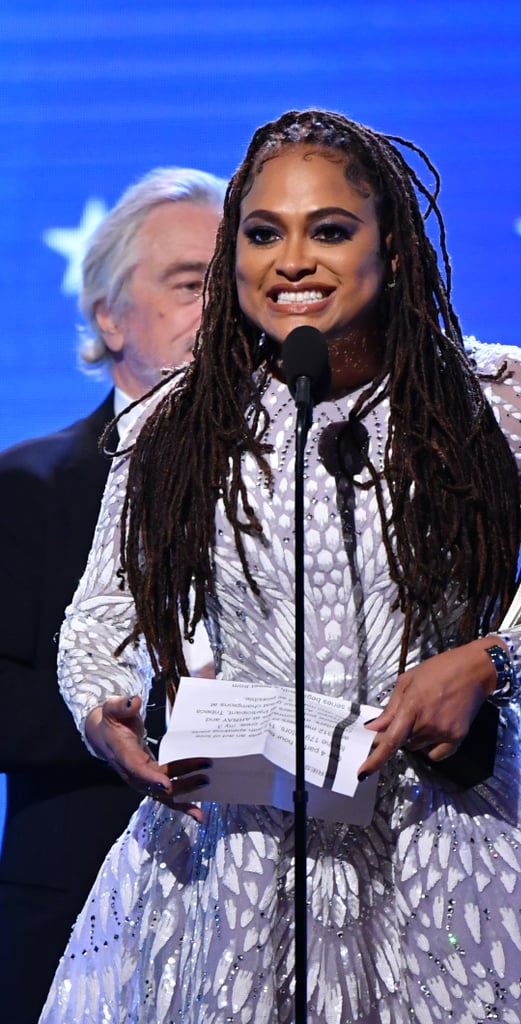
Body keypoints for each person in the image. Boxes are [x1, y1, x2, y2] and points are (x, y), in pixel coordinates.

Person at [40, 111, 521, 1023]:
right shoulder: (173, 427)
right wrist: (105, 711)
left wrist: (488, 664)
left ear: (393, 247)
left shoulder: (497, 397)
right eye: (264, 234)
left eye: (330, 230)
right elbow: (99, 620)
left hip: (458, 844)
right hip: (249, 855)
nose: (292, 261)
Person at [0, 166, 226, 1024]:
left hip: (266, 920)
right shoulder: (29, 485)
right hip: (79, 919)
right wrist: (147, 717)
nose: (221, 311)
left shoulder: (306, 482)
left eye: (230, 285)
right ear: (108, 313)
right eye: (188, 284)